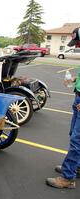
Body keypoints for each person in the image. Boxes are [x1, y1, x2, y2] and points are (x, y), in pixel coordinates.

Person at [46, 27, 80, 189]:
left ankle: (68, 178)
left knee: (76, 140)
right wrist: (74, 80)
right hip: (78, 97)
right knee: (74, 135)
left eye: (78, 42)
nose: (77, 46)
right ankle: (75, 167)